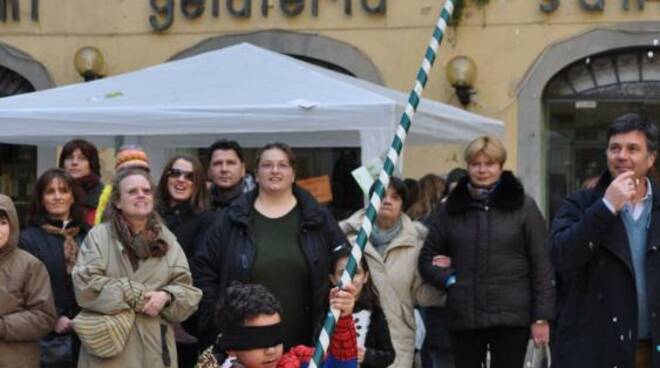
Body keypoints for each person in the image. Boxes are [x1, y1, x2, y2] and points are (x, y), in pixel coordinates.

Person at [194, 142, 348, 349]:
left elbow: (343, 258)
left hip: (305, 341)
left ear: (293, 174)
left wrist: (344, 279)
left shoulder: (318, 218)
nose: (275, 170)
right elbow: (203, 271)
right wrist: (217, 320)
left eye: (283, 165)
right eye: (267, 165)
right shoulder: (230, 219)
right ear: (256, 174)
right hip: (245, 344)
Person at [418, 136, 555, 368]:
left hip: (511, 316)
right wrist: (450, 279)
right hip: (465, 314)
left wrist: (541, 317)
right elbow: (426, 259)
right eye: (475, 164)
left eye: (489, 164)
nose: (482, 170)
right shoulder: (450, 209)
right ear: (468, 166)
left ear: (501, 166)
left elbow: (542, 264)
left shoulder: (524, 206)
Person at [549, 113, 660, 368]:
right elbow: (560, 255)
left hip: (651, 347)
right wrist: (607, 206)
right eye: (614, 148)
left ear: (651, 158)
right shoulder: (581, 203)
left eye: (633, 149)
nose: (622, 156)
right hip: (598, 347)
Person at [72, 167, 202, 368]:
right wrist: (132, 292)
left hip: (155, 351)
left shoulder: (169, 242)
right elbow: (85, 286)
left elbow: (188, 292)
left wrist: (167, 297)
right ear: (117, 201)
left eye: (146, 191)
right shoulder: (99, 237)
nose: (141, 195)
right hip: (108, 349)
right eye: (132, 191)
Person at [340, 177, 444, 368]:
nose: (387, 200)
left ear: (403, 204)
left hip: (398, 336)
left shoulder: (417, 242)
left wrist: (447, 284)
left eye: (395, 197)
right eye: (381, 195)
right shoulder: (346, 239)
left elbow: (418, 292)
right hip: (354, 334)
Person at [197, 281, 358, 368]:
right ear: (231, 347)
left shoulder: (300, 361)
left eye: (274, 337)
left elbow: (341, 365)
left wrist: (343, 317)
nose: (271, 350)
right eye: (258, 340)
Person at [20, 168, 89, 367]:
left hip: (88, 337)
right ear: (41, 199)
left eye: (63, 190)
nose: (57, 197)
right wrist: (54, 318)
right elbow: (24, 289)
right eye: (50, 192)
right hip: (46, 340)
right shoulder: (27, 239)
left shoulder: (89, 235)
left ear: (73, 197)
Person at [156, 154, 215, 368]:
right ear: (166, 177)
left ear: (198, 183)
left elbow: (197, 265)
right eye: (176, 173)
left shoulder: (207, 220)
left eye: (189, 176)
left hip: (184, 317)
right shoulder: (149, 213)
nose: (181, 179)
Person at [0, 194, 57, 368]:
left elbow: (44, 317)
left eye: (2, 222)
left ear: (13, 225)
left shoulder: (30, 265)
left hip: (15, 360)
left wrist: (3, 326)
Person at [330, 247, 395, 368]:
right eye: (342, 273)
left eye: (356, 272)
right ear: (333, 279)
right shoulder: (327, 313)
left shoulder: (375, 313)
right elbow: (315, 350)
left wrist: (367, 355)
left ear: (365, 277)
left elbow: (389, 355)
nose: (349, 279)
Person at [94, 144, 151, 224]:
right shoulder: (108, 192)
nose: (135, 174)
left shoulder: (152, 191)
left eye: (140, 170)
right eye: (129, 171)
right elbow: (99, 220)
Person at [58, 139, 106, 225]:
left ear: (91, 163)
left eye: (82, 158)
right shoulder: (51, 191)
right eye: (69, 158)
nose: (74, 163)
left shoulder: (105, 195)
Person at [206, 139, 254, 211]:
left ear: (243, 169)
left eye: (231, 163)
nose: (224, 169)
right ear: (209, 171)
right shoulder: (198, 206)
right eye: (217, 163)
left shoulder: (258, 205)